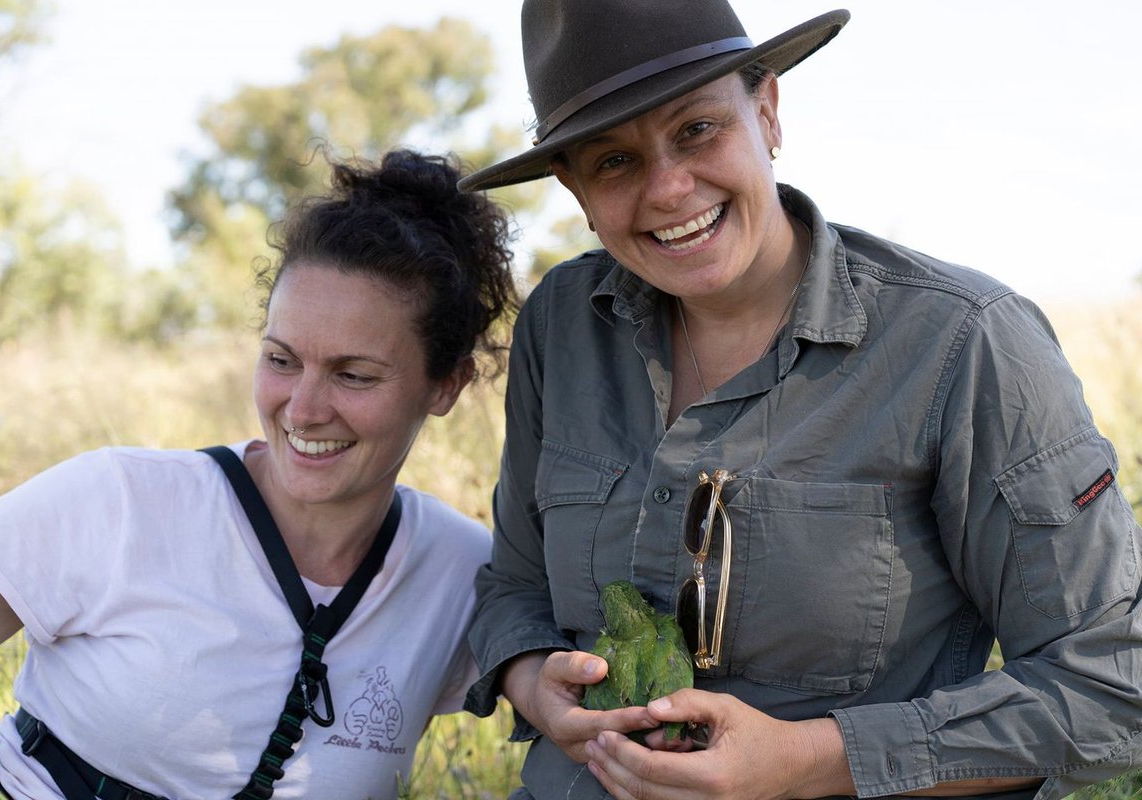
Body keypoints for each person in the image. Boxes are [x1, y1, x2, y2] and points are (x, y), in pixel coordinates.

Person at [457, 2, 1142, 799]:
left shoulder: (965, 346)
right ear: (574, 187)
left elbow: (1112, 689)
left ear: (768, 112)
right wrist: (535, 679)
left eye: (696, 130)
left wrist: (811, 761)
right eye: (614, 162)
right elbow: (512, 585)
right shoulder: (560, 327)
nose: (670, 189)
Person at [0, 148, 518, 800]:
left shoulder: (466, 572)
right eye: (281, 359)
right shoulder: (118, 499)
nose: (303, 409)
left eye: (354, 375)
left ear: (447, 384)